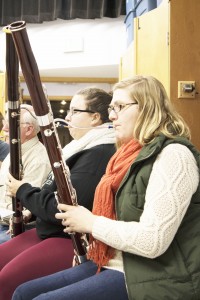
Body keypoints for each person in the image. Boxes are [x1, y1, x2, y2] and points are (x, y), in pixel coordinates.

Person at [12, 75, 200, 300]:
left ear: (149, 108)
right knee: (24, 292)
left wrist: (90, 223)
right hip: (119, 260)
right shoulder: (125, 156)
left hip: (159, 274)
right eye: (112, 107)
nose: (111, 115)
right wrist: (94, 246)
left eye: (120, 106)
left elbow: (152, 241)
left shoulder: (174, 156)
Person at [0, 87, 116, 300]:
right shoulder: (82, 148)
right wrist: (32, 213)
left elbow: (65, 206)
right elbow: (56, 192)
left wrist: (23, 190)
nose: (67, 117)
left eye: (74, 111)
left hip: (67, 238)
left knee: (6, 281)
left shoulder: (99, 154)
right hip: (48, 229)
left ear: (95, 118)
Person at [0, 104, 51, 243]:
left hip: (15, 228)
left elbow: (27, 207)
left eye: (10, 124)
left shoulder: (39, 160)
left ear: (29, 129)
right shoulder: (16, 151)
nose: (4, 128)